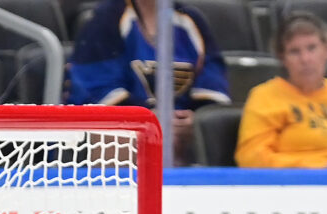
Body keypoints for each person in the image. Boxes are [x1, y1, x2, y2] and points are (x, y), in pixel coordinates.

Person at [67, 0, 230, 165]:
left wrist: (195, 119)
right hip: (125, 131)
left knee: (206, 134)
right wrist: (149, 120)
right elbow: (97, 89)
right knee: (128, 137)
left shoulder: (190, 20)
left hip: (180, 132)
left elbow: (213, 81)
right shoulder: (106, 19)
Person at [236, 12, 327, 168]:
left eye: (312, 48)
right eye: (294, 51)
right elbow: (251, 157)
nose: (305, 59)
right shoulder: (265, 96)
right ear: (283, 59)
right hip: (296, 186)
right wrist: (318, 168)